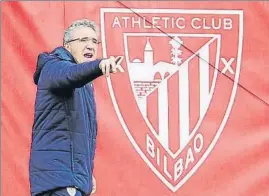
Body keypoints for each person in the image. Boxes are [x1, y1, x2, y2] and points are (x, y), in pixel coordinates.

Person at [29, 19, 122, 196]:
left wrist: (84, 174)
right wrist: (99, 65)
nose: (90, 46)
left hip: (69, 179)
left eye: (94, 41)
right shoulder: (53, 66)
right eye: (83, 40)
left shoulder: (85, 84)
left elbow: (76, 137)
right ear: (67, 46)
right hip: (59, 182)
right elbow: (70, 74)